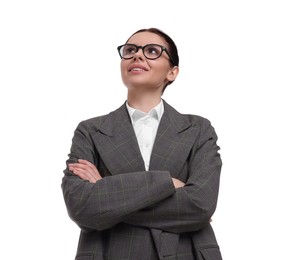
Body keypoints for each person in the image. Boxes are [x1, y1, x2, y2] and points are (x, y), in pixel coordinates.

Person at [62, 27, 223, 260]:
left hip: (185, 253)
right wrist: (166, 182)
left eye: (152, 51)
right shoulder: (90, 131)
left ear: (172, 72)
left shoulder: (199, 129)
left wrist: (108, 189)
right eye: (130, 50)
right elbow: (81, 207)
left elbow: (199, 205)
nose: (137, 55)